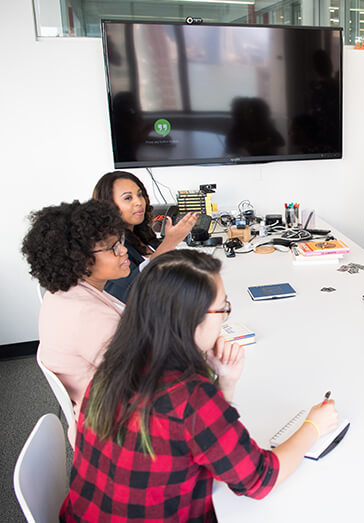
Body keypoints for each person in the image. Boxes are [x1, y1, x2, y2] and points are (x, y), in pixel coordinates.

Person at [61, 250, 340, 520]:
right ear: (192, 320)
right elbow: (260, 479)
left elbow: (194, 439)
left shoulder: (115, 364)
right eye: (223, 309)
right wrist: (313, 426)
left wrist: (225, 382)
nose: (224, 319)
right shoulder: (190, 397)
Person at [21, 200, 130, 442]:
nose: (123, 251)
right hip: (117, 433)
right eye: (112, 248)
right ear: (79, 259)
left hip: (100, 413)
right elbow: (146, 381)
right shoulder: (87, 316)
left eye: (119, 242)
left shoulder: (64, 292)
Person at [93, 171, 198, 302]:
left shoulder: (143, 236)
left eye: (140, 195)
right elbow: (133, 290)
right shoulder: (108, 249)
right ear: (108, 205)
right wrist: (169, 243)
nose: (138, 202)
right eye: (128, 198)